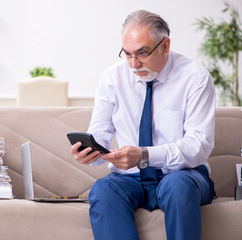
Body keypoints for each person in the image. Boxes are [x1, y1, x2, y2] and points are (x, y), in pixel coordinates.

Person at [70, 10, 216, 240]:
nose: (133, 63)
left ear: (165, 46)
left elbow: (198, 146)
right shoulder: (112, 78)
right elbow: (100, 133)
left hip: (183, 175)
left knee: (177, 186)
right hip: (129, 178)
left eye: (142, 53)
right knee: (103, 190)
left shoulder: (195, 78)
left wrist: (144, 155)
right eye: (127, 54)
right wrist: (93, 152)